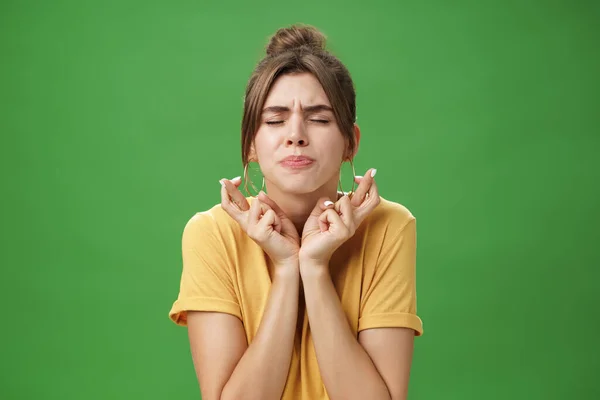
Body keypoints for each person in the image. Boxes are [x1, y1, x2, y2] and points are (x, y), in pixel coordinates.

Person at [169, 24, 423, 400]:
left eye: (319, 119)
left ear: (350, 144)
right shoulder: (211, 232)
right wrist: (287, 269)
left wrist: (315, 269)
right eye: (274, 120)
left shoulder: (388, 225)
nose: (296, 135)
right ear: (250, 144)